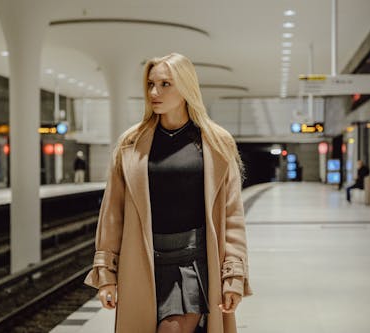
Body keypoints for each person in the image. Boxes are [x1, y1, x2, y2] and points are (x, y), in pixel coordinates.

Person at [84, 53, 252, 333]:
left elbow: (232, 215)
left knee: (172, 329)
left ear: (186, 87)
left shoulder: (216, 142)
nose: (154, 92)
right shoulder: (131, 143)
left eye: (165, 84)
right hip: (142, 261)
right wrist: (107, 275)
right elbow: (113, 213)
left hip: (195, 259)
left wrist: (233, 275)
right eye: (150, 84)